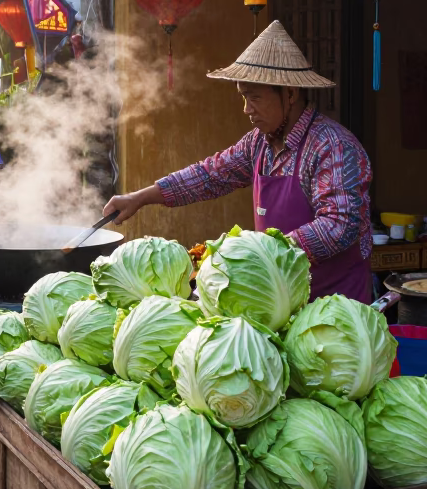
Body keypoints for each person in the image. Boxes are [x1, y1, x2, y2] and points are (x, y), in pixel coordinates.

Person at [103, 21, 374, 303]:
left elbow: (339, 224)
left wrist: (258, 252)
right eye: (243, 97)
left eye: (254, 97)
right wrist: (139, 198)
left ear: (290, 94)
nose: (246, 109)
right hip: (279, 300)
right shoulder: (259, 142)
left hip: (333, 305)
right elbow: (210, 175)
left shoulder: (332, 146)